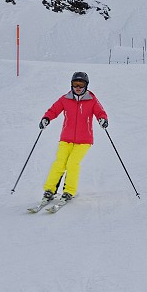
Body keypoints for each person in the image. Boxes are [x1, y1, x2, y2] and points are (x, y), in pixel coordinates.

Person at [39, 71, 108, 203]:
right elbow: (54, 110)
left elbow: (100, 112)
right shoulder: (65, 99)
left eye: (81, 85)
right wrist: (46, 118)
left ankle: (69, 191)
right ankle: (50, 190)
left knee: (72, 163)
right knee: (59, 163)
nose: (78, 87)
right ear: (71, 85)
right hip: (66, 138)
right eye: (75, 84)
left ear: (86, 86)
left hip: (84, 140)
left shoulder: (92, 100)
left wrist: (102, 119)